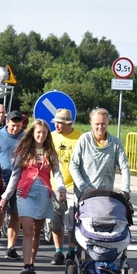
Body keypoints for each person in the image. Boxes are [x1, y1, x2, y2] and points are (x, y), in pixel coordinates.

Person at [0, 119, 67, 274]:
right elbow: (15, 176)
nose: (41, 135)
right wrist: (4, 198)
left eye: (44, 133)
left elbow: (57, 173)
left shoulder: (50, 152)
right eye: (38, 132)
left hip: (43, 193)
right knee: (28, 229)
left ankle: (32, 264)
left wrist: (62, 188)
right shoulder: (23, 151)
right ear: (32, 133)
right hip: (25, 193)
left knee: (37, 231)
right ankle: (27, 266)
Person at [0, 110, 26, 259]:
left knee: (16, 214)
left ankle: (11, 247)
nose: (15, 129)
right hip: (1, 180)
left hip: (20, 181)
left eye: (18, 126)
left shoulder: (25, 138)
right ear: (7, 123)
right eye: (13, 125)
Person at [48, 108, 83, 265]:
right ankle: (58, 252)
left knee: (72, 221)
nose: (57, 126)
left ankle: (70, 251)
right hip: (54, 185)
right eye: (56, 123)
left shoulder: (80, 138)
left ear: (69, 123)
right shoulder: (51, 137)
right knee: (56, 221)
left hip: (73, 187)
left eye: (60, 123)